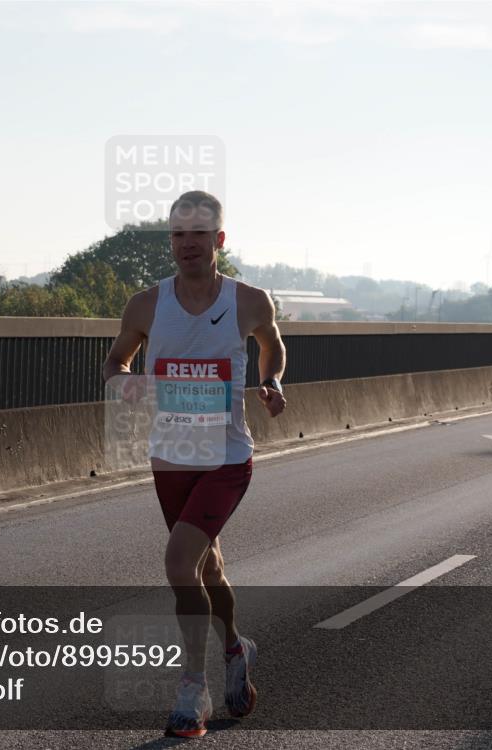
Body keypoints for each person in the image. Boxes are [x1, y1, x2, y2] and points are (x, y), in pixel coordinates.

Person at [101, 190, 287, 738]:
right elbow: (115, 361)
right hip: (173, 455)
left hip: (228, 457)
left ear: (218, 241)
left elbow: (273, 346)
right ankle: (235, 647)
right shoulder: (145, 305)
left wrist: (271, 380)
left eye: (199, 235)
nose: (187, 244)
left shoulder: (249, 300)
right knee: (208, 569)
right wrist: (125, 381)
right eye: (178, 235)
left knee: (180, 563)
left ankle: (192, 688)